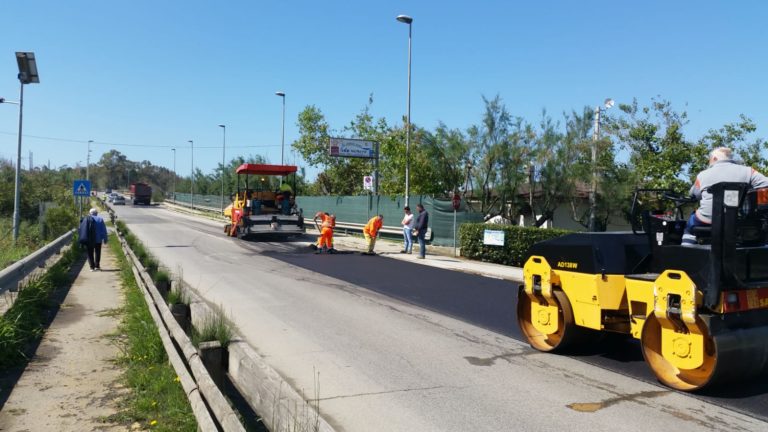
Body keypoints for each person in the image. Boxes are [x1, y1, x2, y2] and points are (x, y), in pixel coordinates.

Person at [682, 147, 768, 245]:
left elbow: (694, 194)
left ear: (714, 159)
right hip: (737, 220)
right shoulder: (748, 171)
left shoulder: (702, 175)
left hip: (707, 219)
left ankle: (686, 251)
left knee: (689, 227)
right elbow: (766, 183)